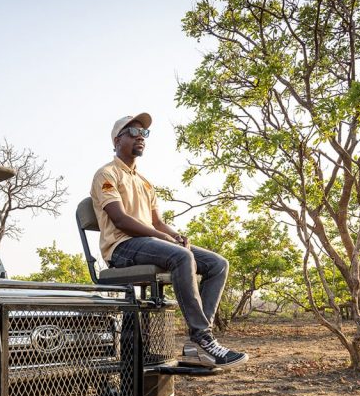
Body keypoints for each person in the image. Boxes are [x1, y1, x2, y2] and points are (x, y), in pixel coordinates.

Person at [91, 113, 248, 368]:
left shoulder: (145, 183)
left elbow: (157, 222)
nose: (140, 137)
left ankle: (197, 342)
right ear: (117, 140)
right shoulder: (106, 175)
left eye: (144, 133)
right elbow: (119, 219)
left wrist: (174, 235)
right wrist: (163, 237)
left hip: (147, 244)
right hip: (121, 247)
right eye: (132, 132)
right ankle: (203, 337)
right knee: (181, 256)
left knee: (217, 263)